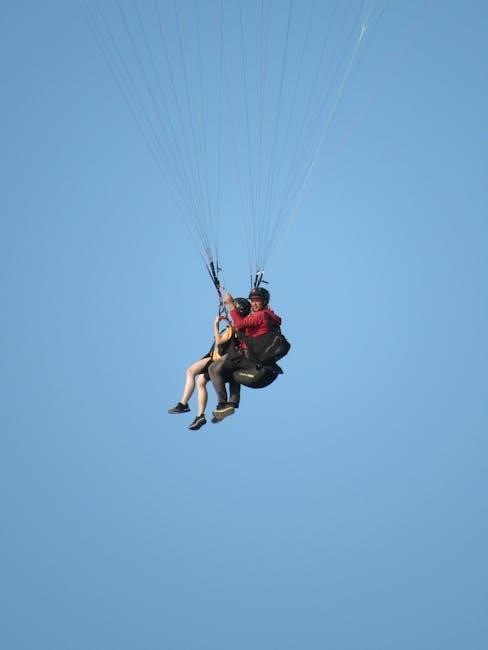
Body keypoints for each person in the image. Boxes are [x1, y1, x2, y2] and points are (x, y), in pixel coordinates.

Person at [168, 298, 251, 430]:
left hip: (217, 359)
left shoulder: (234, 328)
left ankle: (183, 404)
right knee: (200, 382)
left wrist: (216, 324)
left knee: (190, 371)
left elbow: (218, 342)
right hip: (221, 359)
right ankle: (200, 416)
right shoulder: (242, 327)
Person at [210, 287, 282, 420]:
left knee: (213, 368)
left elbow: (239, 324)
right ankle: (231, 404)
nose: (254, 303)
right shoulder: (270, 317)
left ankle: (221, 404)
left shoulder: (261, 315)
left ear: (265, 302)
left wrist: (231, 305)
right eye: (252, 301)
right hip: (262, 369)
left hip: (251, 360)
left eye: (257, 301)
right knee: (232, 372)